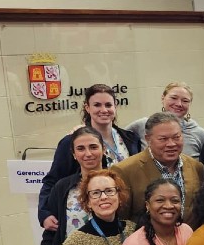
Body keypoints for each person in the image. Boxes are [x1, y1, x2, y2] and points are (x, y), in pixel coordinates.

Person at [38, 83, 140, 230]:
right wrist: (44, 213)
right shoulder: (71, 141)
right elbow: (53, 179)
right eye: (97, 105)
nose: (103, 110)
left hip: (123, 211)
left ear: (115, 106)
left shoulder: (130, 139)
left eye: (108, 105)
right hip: (87, 213)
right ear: (87, 107)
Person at [112, 112, 204, 221]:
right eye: (163, 139)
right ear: (148, 139)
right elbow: (121, 218)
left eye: (176, 137)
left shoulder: (196, 167)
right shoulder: (124, 170)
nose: (171, 144)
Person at [125, 82, 204, 159]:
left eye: (185, 101)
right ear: (163, 98)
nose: (179, 104)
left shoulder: (200, 134)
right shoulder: (142, 125)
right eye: (173, 98)